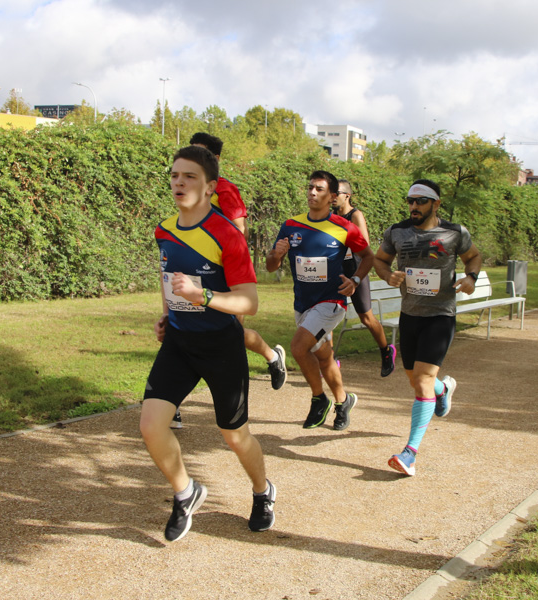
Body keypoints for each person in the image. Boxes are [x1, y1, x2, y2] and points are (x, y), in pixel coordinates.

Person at [139, 145, 274, 542]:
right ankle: (186, 492)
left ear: (211, 187)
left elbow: (249, 302)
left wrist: (205, 298)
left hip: (220, 345)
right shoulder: (164, 229)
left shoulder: (227, 235)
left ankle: (263, 492)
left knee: (234, 437)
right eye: (175, 175)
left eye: (190, 177)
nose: (179, 182)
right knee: (150, 426)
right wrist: (168, 313)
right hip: (180, 343)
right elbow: (168, 278)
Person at [168, 133, 286, 430]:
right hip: (193, 273)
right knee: (183, 333)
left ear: (215, 161)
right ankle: (172, 403)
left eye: (201, 154)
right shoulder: (187, 186)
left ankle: (272, 356)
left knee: (231, 334)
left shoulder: (225, 190)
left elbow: (238, 233)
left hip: (226, 276)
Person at [374, 179, 482, 476]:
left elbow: (473, 256)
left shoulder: (454, 233)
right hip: (410, 315)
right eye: (410, 200)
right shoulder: (396, 232)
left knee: (421, 380)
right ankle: (443, 389)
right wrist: (387, 276)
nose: (413, 206)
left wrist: (470, 278)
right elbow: (380, 260)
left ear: (436, 204)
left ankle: (410, 453)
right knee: (416, 379)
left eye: (421, 201)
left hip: (440, 316)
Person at [266, 171, 374, 431]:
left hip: (332, 301)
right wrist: (277, 255)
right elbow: (270, 267)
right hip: (303, 303)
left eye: (320, 189)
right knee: (324, 358)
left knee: (298, 347)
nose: (312, 193)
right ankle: (343, 401)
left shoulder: (344, 227)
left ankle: (318, 399)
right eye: (310, 187)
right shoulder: (291, 225)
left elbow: (368, 257)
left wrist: (356, 280)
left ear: (332, 197)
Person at [332, 179, 396, 377]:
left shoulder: (355, 215)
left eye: (337, 193)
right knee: (329, 313)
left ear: (347, 196)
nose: (333, 197)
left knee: (366, 318)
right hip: (335, 270)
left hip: (356, 269)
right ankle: (331, 361)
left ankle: (386, 351)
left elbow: (365, 245)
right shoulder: (329, 216)